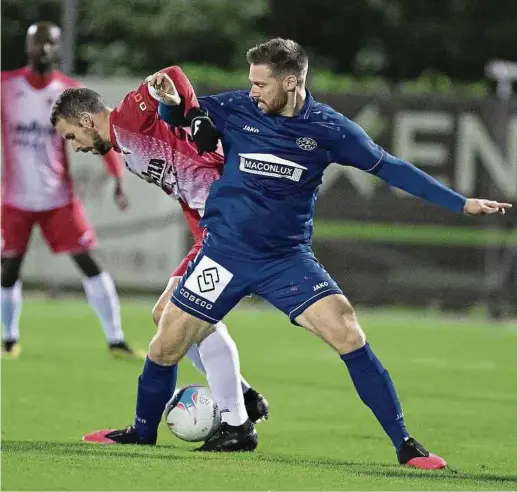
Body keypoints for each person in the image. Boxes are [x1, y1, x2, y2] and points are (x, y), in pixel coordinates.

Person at [63, 38, 512, 465]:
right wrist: (172, 104)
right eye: (251, 82)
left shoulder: (329, 129)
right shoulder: (236, 108)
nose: (252, 91)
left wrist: (460, 202)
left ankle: (407, 446)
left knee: (347, 331)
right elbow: (183, 112)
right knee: (164, 346)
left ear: (292, 82)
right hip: (223, 253)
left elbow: (390, 168)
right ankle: (144, 432)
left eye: (261, 83)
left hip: (285, 259)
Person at [49, 66, 268, 446]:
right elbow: (184, 181)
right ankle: (244, 398)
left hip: (231, 226)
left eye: (72, 136)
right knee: (166, 316)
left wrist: (196, 115)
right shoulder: (122, 143)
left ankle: (237, 422)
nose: (76, 146)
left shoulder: (128, 118)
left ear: (86, 119)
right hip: (211, 229)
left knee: (181, 324)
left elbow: (170, 75)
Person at [0, 22, 144, 359]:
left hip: (58, 199)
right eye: (37, 43)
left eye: (49, 44)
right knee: (8, 268)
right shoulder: (6, 87)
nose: (43, 50)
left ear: (59, 48)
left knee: (89, 261)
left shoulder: (68, 92)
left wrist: (118, 179)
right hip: (15, 199)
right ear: (28, 47)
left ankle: (116, 339)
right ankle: (9, 339)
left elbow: (98, 136)